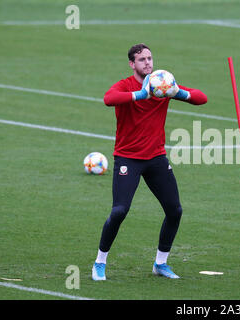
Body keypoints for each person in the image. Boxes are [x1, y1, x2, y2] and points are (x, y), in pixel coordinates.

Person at [92, 43, 207, 280]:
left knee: (174, 210)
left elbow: (202, 98)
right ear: (132, 64)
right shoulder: (126, 86)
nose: (148, 63)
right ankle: (99, 262)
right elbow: (108, 98)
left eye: (150, 58)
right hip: (128, 158)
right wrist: (140, 94)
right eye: (142, 59)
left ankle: (160, 263)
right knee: (120, 210)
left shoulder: (163, 84)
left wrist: (179, 93)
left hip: (155, 158)